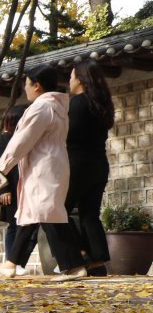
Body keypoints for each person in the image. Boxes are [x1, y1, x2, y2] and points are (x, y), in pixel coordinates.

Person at [0, 66, 87, 282]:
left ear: (37, 85)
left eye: (26, 84)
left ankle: (73, 266)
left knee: (47, 213)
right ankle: (11, 263)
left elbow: (23, 140)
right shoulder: (58, 107)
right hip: (50, 165)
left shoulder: (41, 108)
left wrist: (1, 167)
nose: (25, 88)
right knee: (33, 213)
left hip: (42, 167)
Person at [66, 59, 116, 276]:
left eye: (71, 76)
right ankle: (97, 262)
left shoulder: (77, 104)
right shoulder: (102, 104)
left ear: (80, 78)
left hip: (77, 164)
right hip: (99, 165)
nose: (69, 80)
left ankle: (81, 253)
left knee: (57, 211)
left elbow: (68, 136)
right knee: (89, 214)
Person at [0, 105, 35, 269]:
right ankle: (12, 261)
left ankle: (16, 262)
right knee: (15, 225)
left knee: (26, 226)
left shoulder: (20, 138)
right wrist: (4, 190)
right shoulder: (4, 139)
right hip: (11, 190)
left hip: (22, 187)